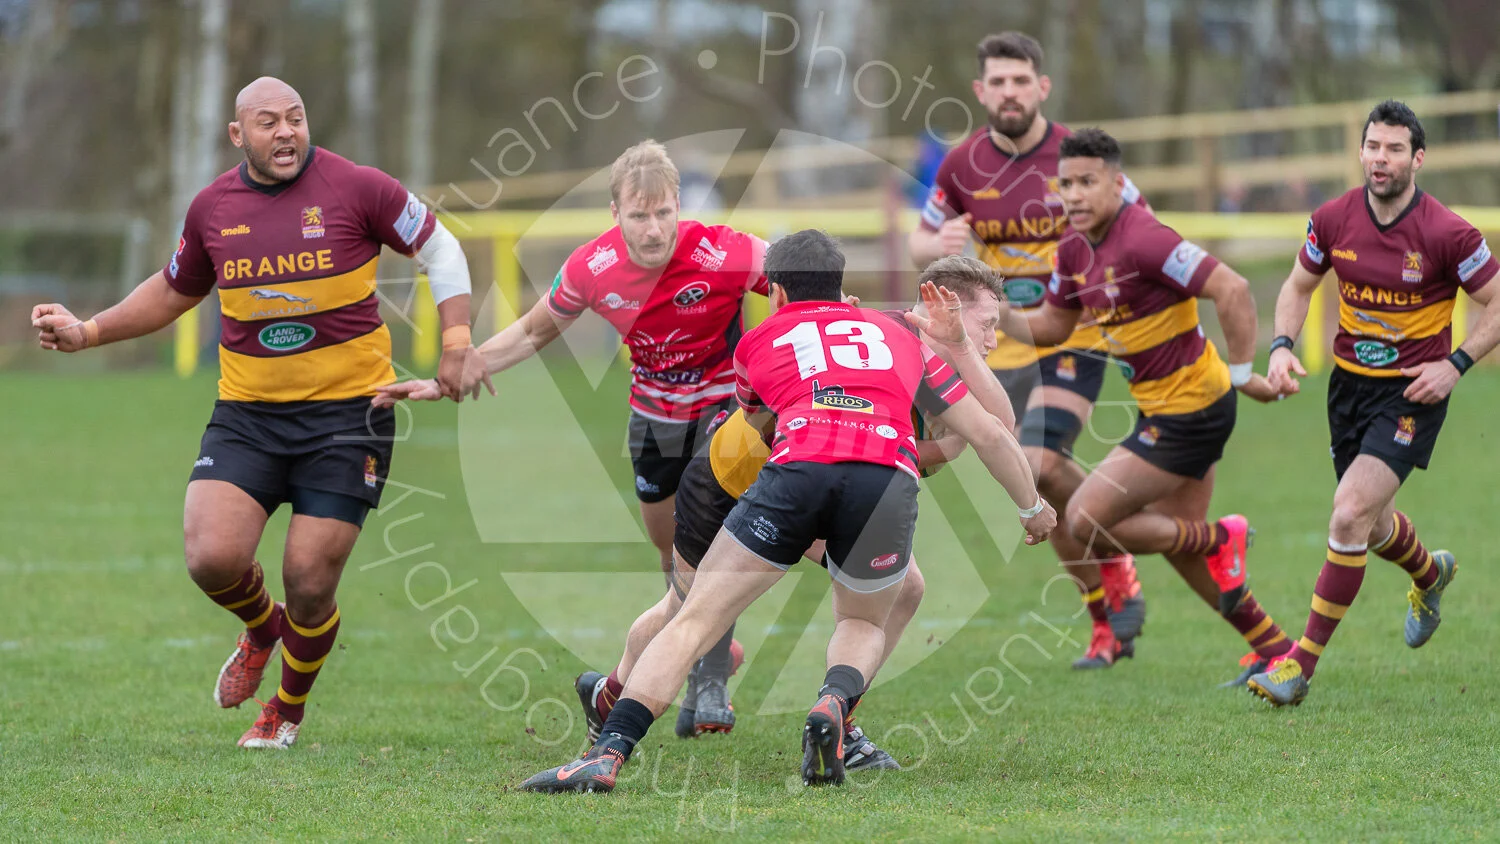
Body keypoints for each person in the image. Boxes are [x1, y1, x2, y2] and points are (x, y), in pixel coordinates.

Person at [30, 77, 488, 749]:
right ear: (237, 135)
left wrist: (456, 342)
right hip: (249, 413)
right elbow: (173, 288)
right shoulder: (213, 207)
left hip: (347, 416)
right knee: (212, 557)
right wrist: (89, 331)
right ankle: (262, 627)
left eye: (295, 118)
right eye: (268, 121)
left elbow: (441, 247)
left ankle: (285, 711)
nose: (286, 132)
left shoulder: (359, 188)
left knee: (308, 578)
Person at [519, 230, 1055, 793]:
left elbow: (996, 425)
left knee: (905, 587)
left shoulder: (926, 354)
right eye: (985, 325)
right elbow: (961, 435)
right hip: (734, 474)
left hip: (803, 469)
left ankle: (834, 717)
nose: (995, 340)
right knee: (689, 606)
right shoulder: (895, 336)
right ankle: (616, 695)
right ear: (938, 301)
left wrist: (961, 353)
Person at [377, 139, 765, 722]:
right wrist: (457, 371)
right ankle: (704, 641)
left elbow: (797, 278)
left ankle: (707, 680)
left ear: (679, 206)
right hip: (655, 422)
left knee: (709, 542)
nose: (654, 229)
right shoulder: (593, 268)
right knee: (672, 549)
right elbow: (534, 332)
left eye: (664, 213)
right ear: (615, 214)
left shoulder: (722, 251)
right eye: (639, 215)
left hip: (725, 415)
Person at [997, 128, 1294, 676]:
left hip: (1194, 409)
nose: (1076, 194)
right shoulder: (1072, 249)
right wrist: (997, 314)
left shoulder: (1146, 239)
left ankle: (1220, 536)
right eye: (1067, 183)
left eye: (1089, 182)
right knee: (1179, 549)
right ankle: (1276, 650)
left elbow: (1232, 288)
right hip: (1167, 409)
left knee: (1085, 516)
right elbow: (1054, 325)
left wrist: (1246, 371)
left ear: (1117, 183)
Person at [1246, 101, 1500, 707]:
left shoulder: (1448, 233)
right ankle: (1430, 573)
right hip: (1348, 390)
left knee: (1346, 513)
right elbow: (1297, 286)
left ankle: (1297, 667)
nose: (1379, 159)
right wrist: (1281, 346)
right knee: (1369, 521)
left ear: (1417, 158)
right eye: (1371, 147)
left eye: (1392, 149)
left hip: (1412, 392)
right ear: (1360, 151)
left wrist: (1455, 365)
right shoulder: (1332, 219)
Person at [908, 31, 1148, 647]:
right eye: (999, 81)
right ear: (980, 90)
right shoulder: (962, 163)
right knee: (1035, 473)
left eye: (1021, 81)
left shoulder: (1076, 154)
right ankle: (1102, 610)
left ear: (1041, 87)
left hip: (1075, 332)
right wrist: (937, 247)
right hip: (996, 342)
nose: (1010, 92)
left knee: (1036, 462)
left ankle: (1117, 557)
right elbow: (919, 239)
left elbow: (1142, 223)